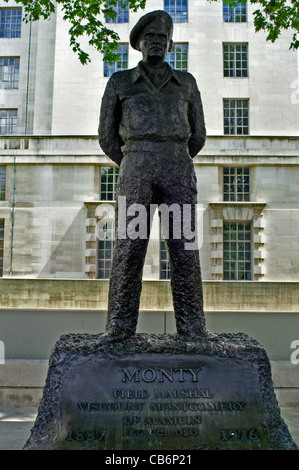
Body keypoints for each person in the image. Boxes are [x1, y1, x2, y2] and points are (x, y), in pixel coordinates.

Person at [99, 10, 212, 340]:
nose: (156, 43)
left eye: (162, 38)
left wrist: (173, 156)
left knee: (184, 248)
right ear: (139, 44)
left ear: (170, 44)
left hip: (177, 167)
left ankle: (192, 326)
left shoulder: (187, 83)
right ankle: (119, 326)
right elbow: (107, 136)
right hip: (136, 169)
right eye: (150, 38)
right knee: (129, 247)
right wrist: (135, 159)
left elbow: (199, 134)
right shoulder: (120, 82)